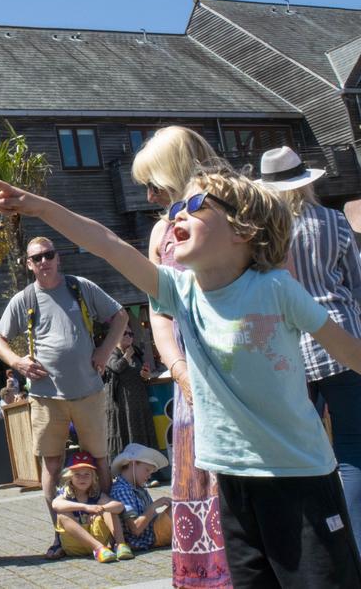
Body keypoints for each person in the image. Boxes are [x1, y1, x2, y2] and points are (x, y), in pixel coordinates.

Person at [0, 166, 361, 587]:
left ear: (242, 229)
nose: (177, 214)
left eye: (196, 205)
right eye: (177, 206)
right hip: (232, 482)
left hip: (300, 477)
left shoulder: (276, 288)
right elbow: (107, 243)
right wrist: (40, 207)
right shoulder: (180, 293)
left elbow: (346, 347)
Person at [131, 125, 231, 587]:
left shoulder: (229, 213)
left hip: (237, 369)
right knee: (200, 485)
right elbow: (160, 315)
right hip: (190, 379)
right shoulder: (160, 233)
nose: (150, 194)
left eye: (155, 182)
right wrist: (178, 368)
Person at [0, 236, 128, 560]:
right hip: (45, 397)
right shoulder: (25, 298)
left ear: (58, 258)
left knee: (100, 460)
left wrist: (104, 351)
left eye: (48, 255)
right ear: (28, 264)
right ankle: (61, 536)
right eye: (36, 258)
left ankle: (113, 532)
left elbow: (120, 316)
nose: (43, 262)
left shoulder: (80, 287)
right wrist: (16, 362)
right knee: (51, 465)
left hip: (88, 392)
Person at [258, 145, 361, 552]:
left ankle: (313, 542)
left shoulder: (263, 232)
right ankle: (355, 544)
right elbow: (355, 281)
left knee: (298, 448)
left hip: (288, 350)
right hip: (341, 339)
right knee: (353, 447)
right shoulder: (333, 221)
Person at [51, 451, 132, 563]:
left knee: (109, 509)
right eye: (77, 474)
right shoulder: (65, 493)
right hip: (74, 545)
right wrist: (86, 508)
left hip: (98, 538)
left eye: (86, 474)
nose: (82, 478)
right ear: (70, 477)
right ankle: (97, 548)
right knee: (62, 514)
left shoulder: (96, 494)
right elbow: (55, 504)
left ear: (93, 477)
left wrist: (102, 509)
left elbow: (119, 506)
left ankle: (120, 545)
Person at [103, 326, 158, 465]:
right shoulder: (110, 352)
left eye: (131, 333)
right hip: (121, 403)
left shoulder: (136, 353)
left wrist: (145, 375)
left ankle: (145, 469)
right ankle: (124, 469)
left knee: (140, 431)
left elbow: (140, 374)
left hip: (138, 401)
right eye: (124, 333)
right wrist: (126, 356)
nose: (128, 336)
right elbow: (116, 368)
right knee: (124, 432)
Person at [110, 443, 173, 552]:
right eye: (147, 470)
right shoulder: (121, 490)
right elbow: (136, 528)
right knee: (180, 510)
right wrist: (153, 506)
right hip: (150, 537)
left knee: (183, 507)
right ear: (133, 464)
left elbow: (152, 517)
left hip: (154, 532)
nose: (149, 476)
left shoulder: (138, 488)